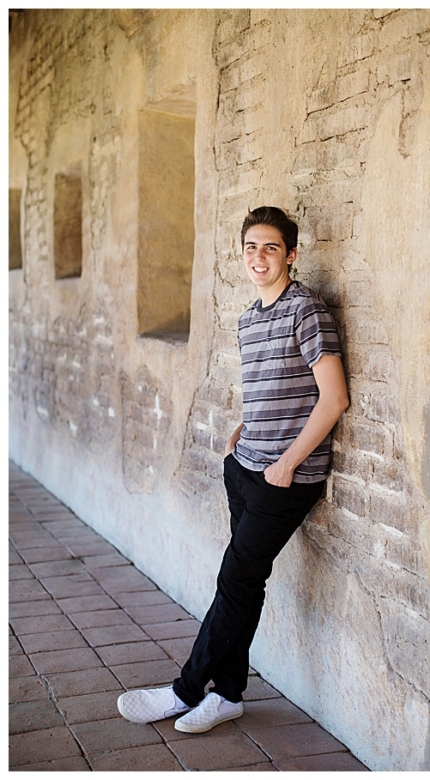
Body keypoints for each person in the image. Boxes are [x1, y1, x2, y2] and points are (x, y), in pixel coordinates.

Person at [117, 206, 349, 733]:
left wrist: (288, 462)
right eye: (250, 247)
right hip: (244, 467)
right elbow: (271, 385)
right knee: (246, 583)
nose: (258, 257)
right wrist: (243, 430)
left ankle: (183, 691)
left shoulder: (305, 310)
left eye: (270, 247)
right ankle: (227, 694)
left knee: (235, 578)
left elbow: (334, 398)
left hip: (285, 477)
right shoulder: (249, 317)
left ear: (291, 254)